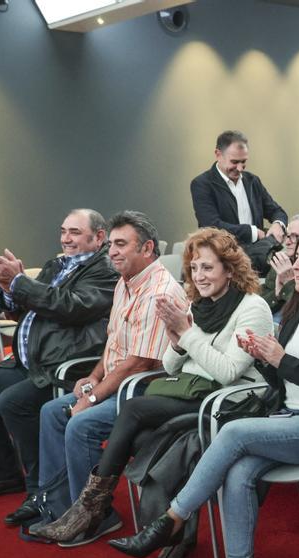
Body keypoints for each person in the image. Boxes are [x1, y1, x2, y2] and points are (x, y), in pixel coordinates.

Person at [107, 232, 299, 558]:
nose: (294, 265)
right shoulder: (296, 308)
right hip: (286, 418)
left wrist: (279, 359)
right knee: (238, 472)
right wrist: (262, 358)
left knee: (232, 433)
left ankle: (171, 520)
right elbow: (282, 381)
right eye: (295, 257)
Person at [31, 227, 274, 545]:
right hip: (193, 390)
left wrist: (187, 334)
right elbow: (173, 367)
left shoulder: (252, 308)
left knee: (133, 408)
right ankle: (166, 528)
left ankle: (91, 508)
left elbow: (228, 372)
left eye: (208, 267)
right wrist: (176, 342)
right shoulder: (200, 306)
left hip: (230, 400)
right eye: (195, 268)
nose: (199, 276)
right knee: (144, 437)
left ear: (230, 269)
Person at [26, 211, 185, 541]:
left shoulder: (160, 291)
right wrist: (93, 377)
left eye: (121, 244)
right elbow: (114, 345)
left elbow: (139, 363)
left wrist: (93, 396)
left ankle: (96, 517)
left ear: (147, 248)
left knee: (80, 424)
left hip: (142, 391)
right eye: (110, 244)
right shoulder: (123, 284)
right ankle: (61, 508)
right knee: (51, 412)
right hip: (117, 383)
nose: (112, 251)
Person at [0, 209, 117, 522]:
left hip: (61, 365)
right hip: (30, 361)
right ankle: (4, 474)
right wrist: (8, 287)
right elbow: (24, 308)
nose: (65, 239)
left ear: (98, 237)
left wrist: (20, 282)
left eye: (74, 232)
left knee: (13, 403)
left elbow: (71, 308)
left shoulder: (105, 269)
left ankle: (39, 491)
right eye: (63, 231)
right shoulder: (56, 264)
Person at [189, 130, 288, 245]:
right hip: (223, 257)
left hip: (257, 255)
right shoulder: (202, 184)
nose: (240, 168)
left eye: (243, 161)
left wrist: (278, 224)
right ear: (218, 155)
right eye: (234, 162)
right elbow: (212, 226)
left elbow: (277, 211)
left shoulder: (253, 181)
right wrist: (253, 232)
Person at [261, 212, 299, 314]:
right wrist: (277, 295)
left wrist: (288, 283)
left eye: (295, 236)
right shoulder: (282, 262)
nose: (287, 242)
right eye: (287, 236)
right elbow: (261, 303)